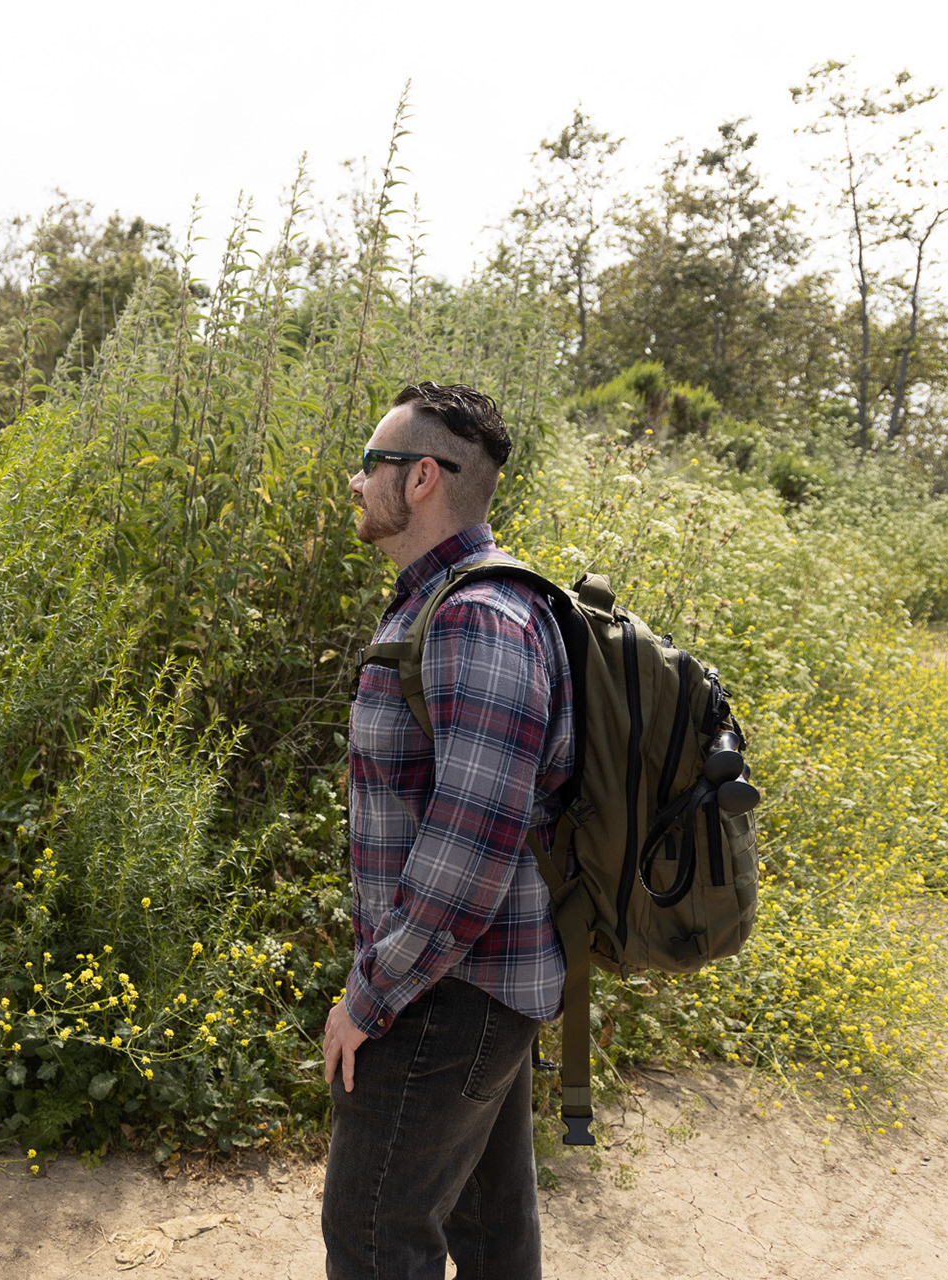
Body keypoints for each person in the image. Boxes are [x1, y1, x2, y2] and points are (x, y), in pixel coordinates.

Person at [321, 382, 574, 1280]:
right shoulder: (441, 602)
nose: (357, 482)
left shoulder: (476, 618)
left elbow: (471, 849)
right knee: (493, 1238)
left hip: (447, 998)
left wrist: (369, 997)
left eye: (371, 463)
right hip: (471, 987)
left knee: (375, 1238)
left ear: (423, 477)